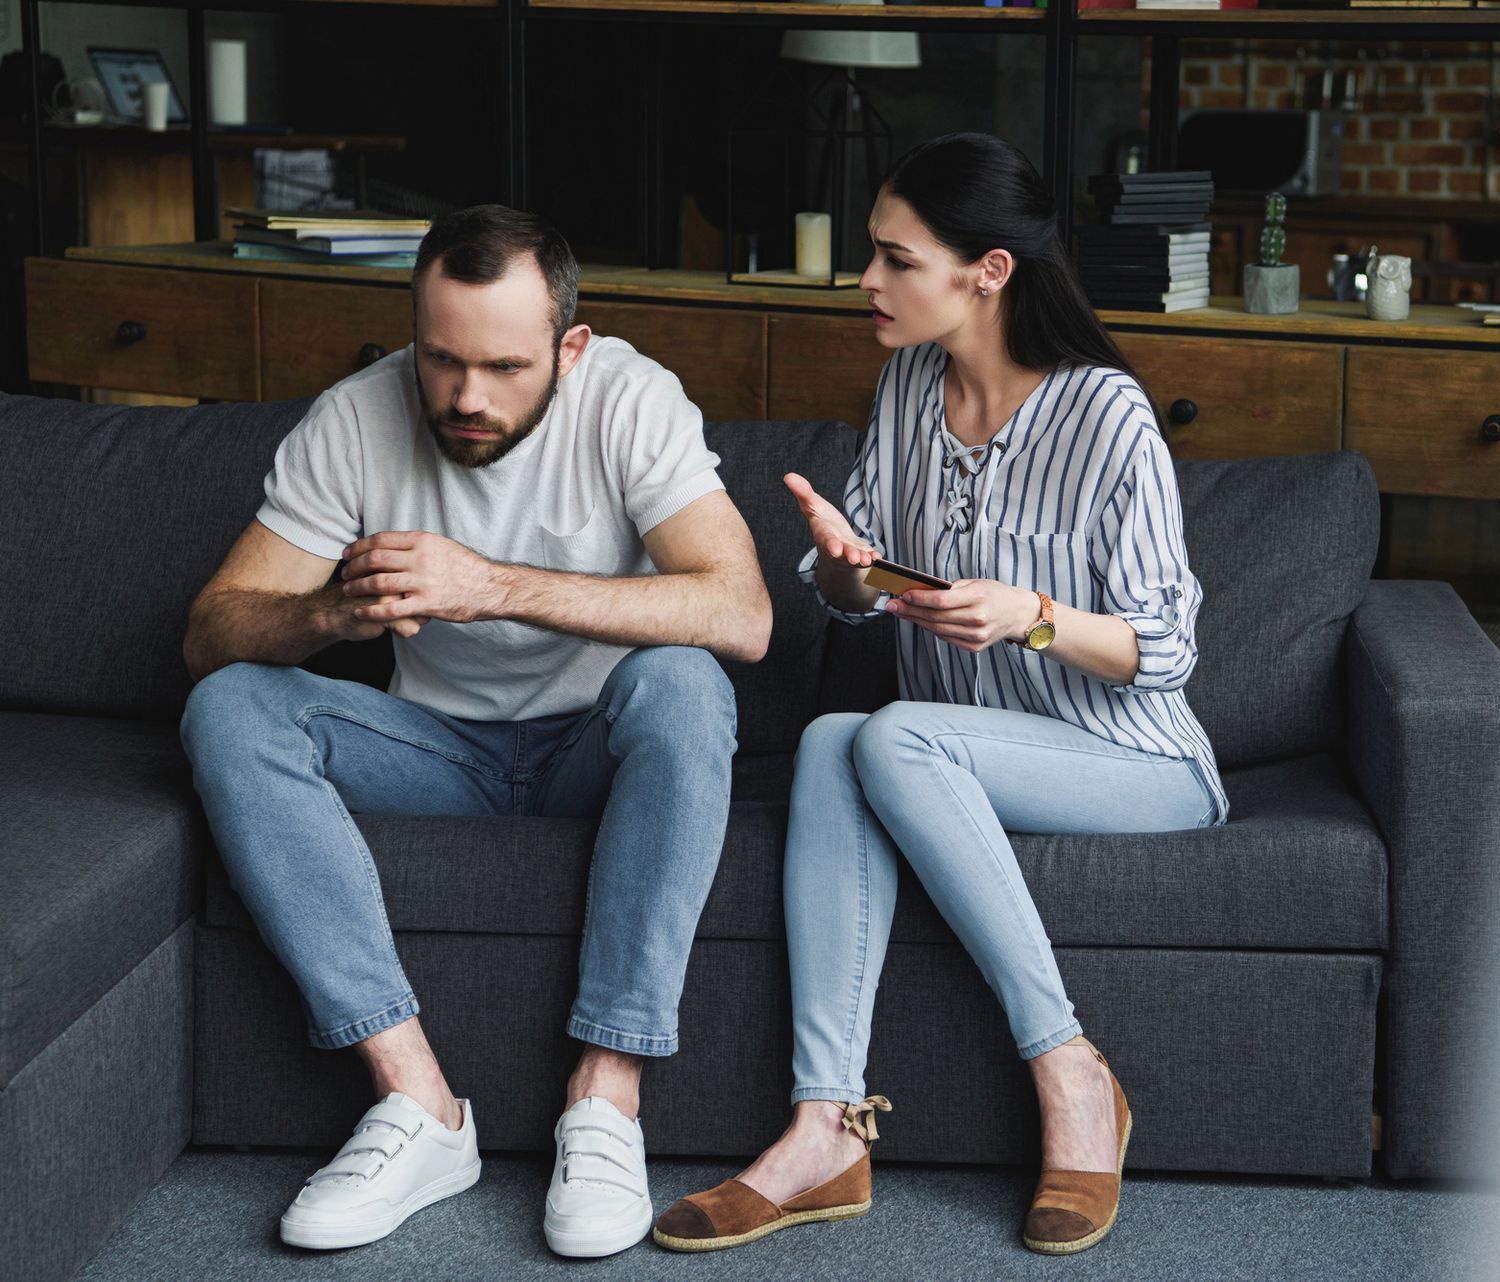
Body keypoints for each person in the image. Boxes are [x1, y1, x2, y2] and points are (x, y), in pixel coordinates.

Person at [652, 133, 1226, 1257]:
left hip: (1136, 759)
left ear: (988, 272)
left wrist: (1034, 616)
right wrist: (839, 567)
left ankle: (1071, 1073)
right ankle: (825, 1126)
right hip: (958, 749)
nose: (866, 281)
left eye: (895, 259)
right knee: (830, 742)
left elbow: (1169, 648)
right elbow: (860, 598)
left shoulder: (1107, 416)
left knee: (897, 738)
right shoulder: (907, 385)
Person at [178, 204, 771, 1258]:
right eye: (441, 359)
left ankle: (606, 1097)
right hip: (436, 753)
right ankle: (420, 1108)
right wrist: (329, 615)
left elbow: (741, 613)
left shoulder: (630, 401)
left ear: (570, 346)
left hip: (599, 748)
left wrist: (493, 585)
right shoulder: (357, 416)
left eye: (503, 367)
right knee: (227, 704)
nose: (465, 397)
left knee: (686, 681)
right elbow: (211, 630)